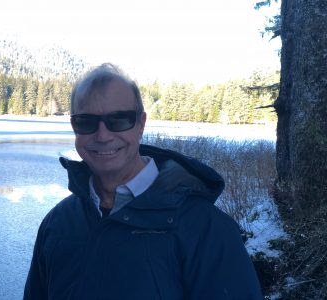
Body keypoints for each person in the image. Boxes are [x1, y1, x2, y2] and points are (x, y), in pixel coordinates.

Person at [24, 63, 263, 299]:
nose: (103, 135)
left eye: (119, 119)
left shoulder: (205, 229)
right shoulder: (58, 223)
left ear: (141, 124)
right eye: (86, 122)